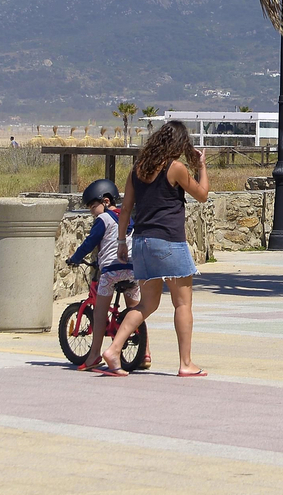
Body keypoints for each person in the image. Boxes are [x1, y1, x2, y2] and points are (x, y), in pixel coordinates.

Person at [100, 120, 209, 378]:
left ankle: (114, 349)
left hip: (141, 242)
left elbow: (126, 209)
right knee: (182, 304)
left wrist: (121, 242)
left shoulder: (137, 169)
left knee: (146, 304)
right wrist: (202, 166)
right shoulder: (176, 168)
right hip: (169, 242)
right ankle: (186, 363)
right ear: (179, 144)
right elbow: (202, 194)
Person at [65, 178, 148, 372]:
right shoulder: (128, 218)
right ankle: (145, 353)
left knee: (99, 312)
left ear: (106, 201)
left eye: (93, 206)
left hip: (112, 271)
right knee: (135, 311)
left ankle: (94, 355)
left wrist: (75, 258)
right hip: (133, 271)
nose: (92, 212)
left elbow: (89, 243)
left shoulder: (103, 219)